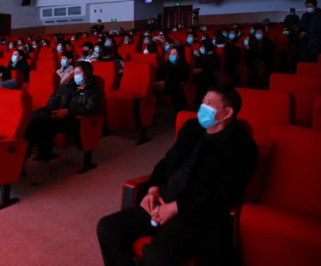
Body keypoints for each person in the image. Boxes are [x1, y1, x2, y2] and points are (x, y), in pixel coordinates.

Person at [97, 86, 258, 266]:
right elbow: (167, 162)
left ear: (227, 112)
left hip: (194, 214)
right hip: (161, 200)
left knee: (156, 256)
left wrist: (176, 207)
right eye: (203, 102)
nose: (203, 107)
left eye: (210, 103)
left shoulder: (242, 146)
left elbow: (222, 193)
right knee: (108, 228)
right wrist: (152, 189)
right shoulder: (192, 128)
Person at [25, 62, 100, 162]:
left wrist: (68, 111)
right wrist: (52, 108)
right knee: (35, 124)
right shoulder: (68, 86)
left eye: (78, 73)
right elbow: (54, 97)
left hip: (73, 119)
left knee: (40, 122)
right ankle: (27, 156)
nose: (75, 75)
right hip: (56, 114)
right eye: (74, 73)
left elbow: (89, 108)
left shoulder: (93, 92)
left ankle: (29, 156)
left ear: (87, 74)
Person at [155, 46, 190, 114]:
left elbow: (180, 79)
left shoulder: (184, 66)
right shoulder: (168, 63)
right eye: (170, 54)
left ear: (179, 55)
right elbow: (159, 73)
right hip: (165, 83)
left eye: (173, 54)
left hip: (174, 86)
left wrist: (165, 80)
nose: (171, 56)